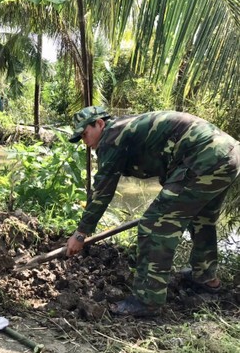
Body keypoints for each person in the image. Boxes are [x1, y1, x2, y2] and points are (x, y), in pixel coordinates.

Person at [65, 106, 240, 317]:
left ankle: (148, 300)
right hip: (228, 154)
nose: (86, 141)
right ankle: (205, 278)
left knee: (154, 225)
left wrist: (81, 233)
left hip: (204, 158)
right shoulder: (125, 128)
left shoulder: (111, 137)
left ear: (100, 123)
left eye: (85, 134)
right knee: (203, 219)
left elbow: (102, 191)